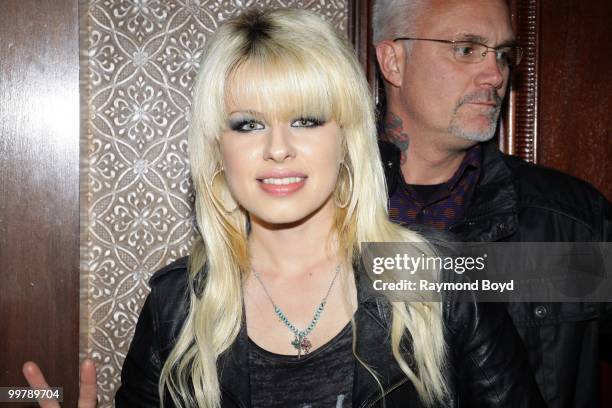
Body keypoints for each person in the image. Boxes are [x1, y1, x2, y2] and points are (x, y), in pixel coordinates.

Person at [24, 8, 544, 407]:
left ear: (347, 137)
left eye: (306, 120)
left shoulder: (440, 281)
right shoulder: (177, 304)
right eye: (248, 123)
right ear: (218, 148)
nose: (277, 148)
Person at [372, 0, 612, 407]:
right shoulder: (316, 213)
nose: (496, 73)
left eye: (503, 54)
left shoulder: (571, 221)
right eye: (466, 49)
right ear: (394, 61)